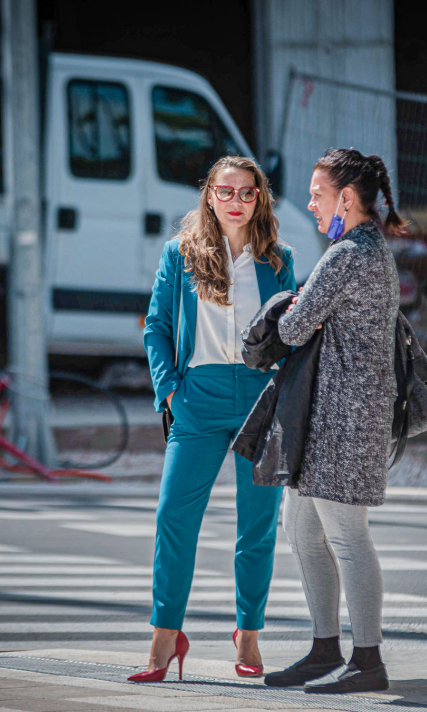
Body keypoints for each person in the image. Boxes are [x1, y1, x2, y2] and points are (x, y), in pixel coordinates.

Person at [133, 156, 296, 682]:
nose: (235, 201)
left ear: (258, 199)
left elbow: (292, 333)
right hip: (196, 397)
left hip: (259, 396)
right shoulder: (178, 255)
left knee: (258, 524)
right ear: (208, 195)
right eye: (225, 192)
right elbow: (156, 326)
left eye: (246, 193)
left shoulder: (278, 259)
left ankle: (247, 633)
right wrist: (170, 393)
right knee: (173, 518)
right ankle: (164, 637)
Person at [263, 148, 404, 694]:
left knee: (345, 537)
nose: (310, 203)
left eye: (318, 194)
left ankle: (367, 660)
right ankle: (326, 648)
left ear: (347, 198)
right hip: (327, 420)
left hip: (347, 421)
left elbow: (294, 328)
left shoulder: (350, 254)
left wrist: (291, 308)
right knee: (301, 531)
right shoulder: (364, 251)